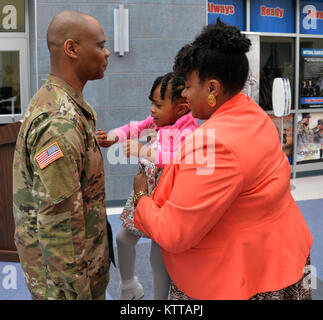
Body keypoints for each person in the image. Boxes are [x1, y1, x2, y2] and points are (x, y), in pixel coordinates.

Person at [133, 19, 313, 300]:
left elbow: (174, 232)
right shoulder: (253, 114)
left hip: (245, 279)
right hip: (284, 257)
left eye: (189, 85)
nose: (184, 94)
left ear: (213, 88)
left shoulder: (213, 142)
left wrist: (141, 198)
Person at [12, 11, 114, 300]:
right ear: (72, 49)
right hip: (68, 288)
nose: (106, 53)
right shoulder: (59, 122)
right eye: (100, 45)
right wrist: (77, 294)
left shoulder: (64, 106)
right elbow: (60, 227)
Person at [96, 72, 198, 300]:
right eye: (151, 103)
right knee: (123, 239)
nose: (152, 110)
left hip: (166, 199)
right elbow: (134, 128)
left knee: (158, 255)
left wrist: (144, 151)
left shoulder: (188, 131)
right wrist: (113, 137)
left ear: (181, 109)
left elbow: (176, 159)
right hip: (144, 193)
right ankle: (129, 287)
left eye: (158, 105)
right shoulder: (157, 122)